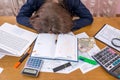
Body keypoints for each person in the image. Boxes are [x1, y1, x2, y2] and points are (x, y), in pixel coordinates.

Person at [16, 0, 93, 31]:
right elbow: (20, 17)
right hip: (43, 24)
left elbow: (88, 18)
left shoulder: (72, 1)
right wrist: (38, 24)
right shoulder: (35, 0)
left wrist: (68, 25)